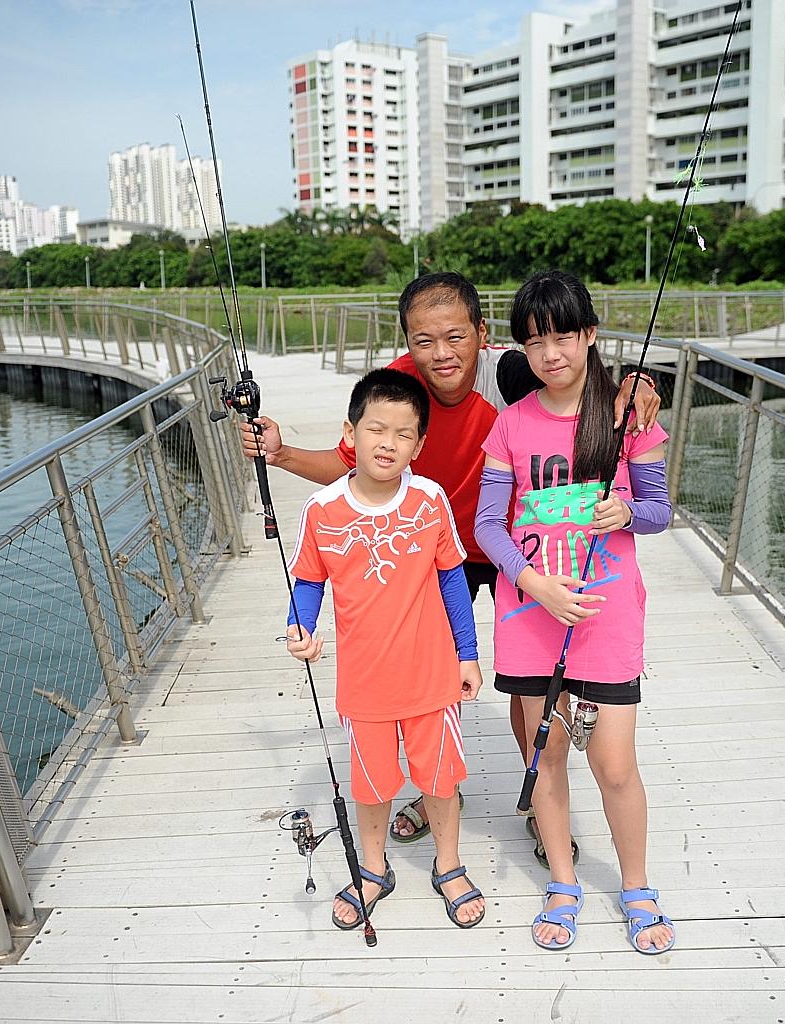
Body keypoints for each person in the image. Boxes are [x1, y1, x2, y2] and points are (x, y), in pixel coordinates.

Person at [242, 272, 659, 857]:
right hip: (438, 547)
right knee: (435, 670)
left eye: (455, 337)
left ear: (482, 335)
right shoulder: (399, 387)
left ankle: (538, 792)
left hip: (513, 546)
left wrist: (636, 382)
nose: (441, 354)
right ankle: (440, 787)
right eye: (423, 340)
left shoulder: (509, 372)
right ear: (407, 341)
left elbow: (574, 376)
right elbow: (351, 463)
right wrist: (281, 454)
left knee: (527, 682)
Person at [474, 269, 676, 954]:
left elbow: (659, 511)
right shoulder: (510, 423)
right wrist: (534, 584)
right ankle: (563, 882)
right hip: (532, 617)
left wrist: (628, 510)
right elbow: (488, 526)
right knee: (548, 757)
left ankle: (637, 886)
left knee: (615, 764)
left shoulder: (628, 418)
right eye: (534, 342)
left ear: (590, 336)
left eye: (564, 336)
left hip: (609, 616)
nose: (551, 353)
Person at [284, 368, 487, 930]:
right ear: (351, 433)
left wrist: (467, 654)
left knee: (441, 781)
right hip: (364, 682)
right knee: (370, 785)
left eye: (403, 434)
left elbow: (452, 578)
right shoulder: (323, 509)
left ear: (419, 445)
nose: (388, 444)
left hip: (433, 675)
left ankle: (448, 864)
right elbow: (308, 580)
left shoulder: (429, 498)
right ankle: (373, 869)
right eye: (377, 430)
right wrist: (298, 629)